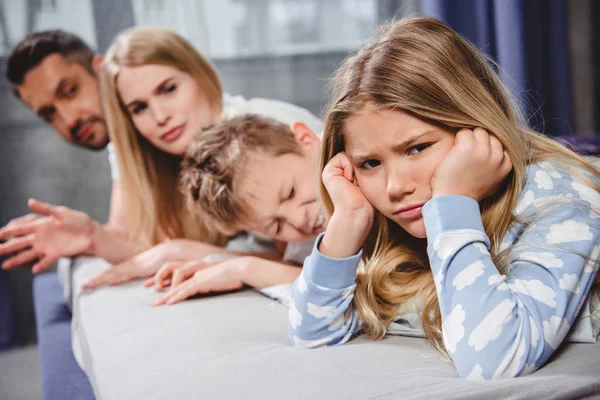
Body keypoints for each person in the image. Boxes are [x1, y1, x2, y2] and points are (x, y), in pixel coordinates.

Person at [288, 17, 600, 380]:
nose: (394, 187)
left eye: (417, 148)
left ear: (476, 127)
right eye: (370, 163)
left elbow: (494, 360)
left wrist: (453, 201)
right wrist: (348, 219)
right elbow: (312, 333)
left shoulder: (564, 199)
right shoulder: (396, 225)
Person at [0, 27, 322, 288]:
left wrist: (186, 253)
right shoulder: (157, 149)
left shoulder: (264, 133)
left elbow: (306, 266)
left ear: (198, 75)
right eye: (138, 108)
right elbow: (135, 240)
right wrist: (90, 236)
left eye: (169, 89)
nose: (160, 116)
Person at [145, 114, 325, 305]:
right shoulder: (301, 225)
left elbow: (347, 288)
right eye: (277, 226)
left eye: (290, 192)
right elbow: (301, 264)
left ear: (306, 139)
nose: (299, 220)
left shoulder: (355, 161)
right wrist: (219, 261)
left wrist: (245, 269)